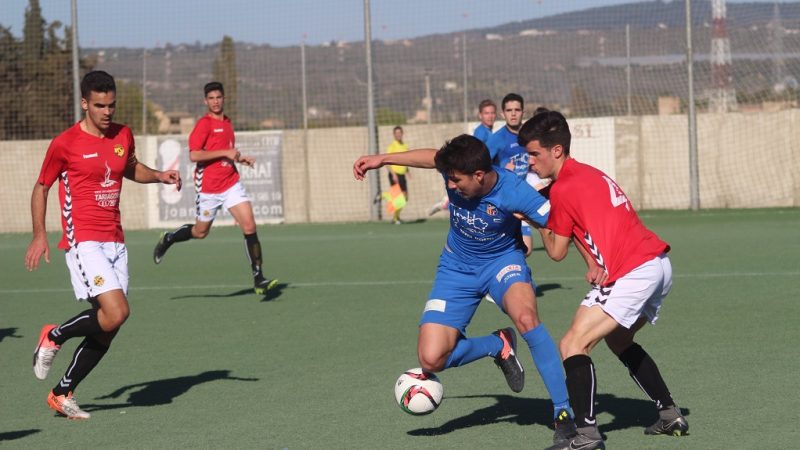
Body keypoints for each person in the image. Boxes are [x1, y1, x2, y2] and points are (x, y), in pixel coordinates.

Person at [353, 135, 577, 444]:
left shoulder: (515, 192)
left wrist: (595, 260)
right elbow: (432, 157)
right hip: (456, 268)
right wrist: (383, 159)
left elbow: (562, 224)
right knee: (431, 359)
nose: (450, 185)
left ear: (479, 175)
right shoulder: (455, 171)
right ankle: (497, 345)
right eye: (449, 177)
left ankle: (564, 412)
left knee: (526, 318)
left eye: (456, 180)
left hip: (502, 263)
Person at [518, 110, 689, 450]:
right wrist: (595, 261)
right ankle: (670, 414)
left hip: (634, 271)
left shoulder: (563, 189)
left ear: (556, 150)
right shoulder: (586, 173)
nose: (530, 162)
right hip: (657, 264)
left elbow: (556, 251)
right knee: (619, 340)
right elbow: (584, 225)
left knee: (572, 345)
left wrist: (532, 220)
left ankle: (587, 435)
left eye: (534, 154)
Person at [25, 70, 182, 420]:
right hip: (83, 240)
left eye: (111, 105)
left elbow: (130, 167)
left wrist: (159, 175)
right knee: (117, 312)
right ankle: (54, 335)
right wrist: (39, 233)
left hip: (115, 240)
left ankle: (62, 393)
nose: (107, 111)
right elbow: (42, 186)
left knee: (110, 325)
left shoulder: (123, 134)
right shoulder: (65, 143)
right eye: (99, 105)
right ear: (85, 103)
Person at [152, 81, 277, 294]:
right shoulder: (204, 125)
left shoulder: (227, 122)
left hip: (231, 183)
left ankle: (259, 278)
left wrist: (240, 158)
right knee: (200, 232)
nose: (215, 101)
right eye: (211, 98)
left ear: (224, 98)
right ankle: (169, 238)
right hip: (209, 188)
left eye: (218, 97)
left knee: (249, 225)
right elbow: (194, 155)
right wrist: (225, 153)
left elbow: (226, 152)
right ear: (205, 101)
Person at [428, 99, 496, 216]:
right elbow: (475, 155)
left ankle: (447, 203)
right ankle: (447, 203)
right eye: (486, 113)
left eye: (492, 113)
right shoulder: (481, 132)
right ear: (480, 115)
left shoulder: (489, 132)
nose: (490, 116)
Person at [385, 126, 409, 224]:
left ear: (402, 134)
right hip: (395, 175)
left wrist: (407, 171)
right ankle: (395, 218)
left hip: (402, 175)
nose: (398, 135)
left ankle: (396, 217)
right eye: (396, 133)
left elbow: (406, 160)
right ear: (394, 135)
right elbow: (386, 162)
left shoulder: (405, 146)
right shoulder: (392, 146)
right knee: (398, 197)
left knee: (405, 197)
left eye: (400, 133)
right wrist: (393, 174)